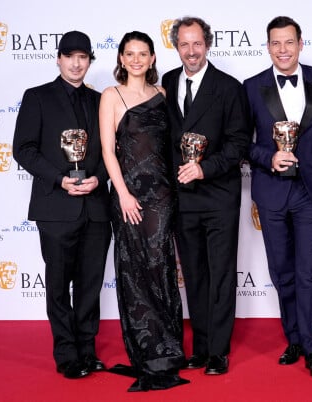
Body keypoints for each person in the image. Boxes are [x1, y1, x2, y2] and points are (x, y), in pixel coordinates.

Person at [13, 30, 111, 379]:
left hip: (96, 208)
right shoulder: (37, 97)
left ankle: (87, 349)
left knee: (90, 284)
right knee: (58, 284)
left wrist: (100, 177)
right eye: (69, 56)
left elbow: (110, 152)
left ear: (89, 61)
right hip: (56, 208)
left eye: (82, 57)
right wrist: (59, 178)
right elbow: (23, 149)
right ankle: (67, 353)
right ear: (58, 58)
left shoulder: (102, 100)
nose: (76, 63)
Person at [243, 16, 312, 379]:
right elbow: (240, 142)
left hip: (311, 190)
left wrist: (307, 158)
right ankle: (293, 338)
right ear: (267, 47)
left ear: (301, 43)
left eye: (289, 42)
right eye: (275, 43)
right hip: (271, 190)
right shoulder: (252, 87)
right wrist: (270, 157)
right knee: (282, 271)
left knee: (309, 271)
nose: (283, 50)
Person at [98, 31, 189, 392]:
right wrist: (121, 194)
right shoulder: (111, 96)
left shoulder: (163, 95)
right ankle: (147, 349)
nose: (136, 59)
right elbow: (108, 150)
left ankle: (169, 346)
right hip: (130, 197)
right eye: (130, 54)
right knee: (135, 267)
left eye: (143, 54)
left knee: (162, 266)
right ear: (121, 58)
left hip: (164, 196)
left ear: (153, 59)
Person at [161, 16, 251, 375]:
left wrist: (205, 167)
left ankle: (218, 349)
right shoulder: (166, 82)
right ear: (176, 47)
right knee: (194, 274)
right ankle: (199, 346)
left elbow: (239, 143)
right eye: (184, 44)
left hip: (218, 195)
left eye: (197, 43)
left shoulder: (229, 88)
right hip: (182, 198)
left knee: (220, 273)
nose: (191, 51)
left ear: (208, 45)